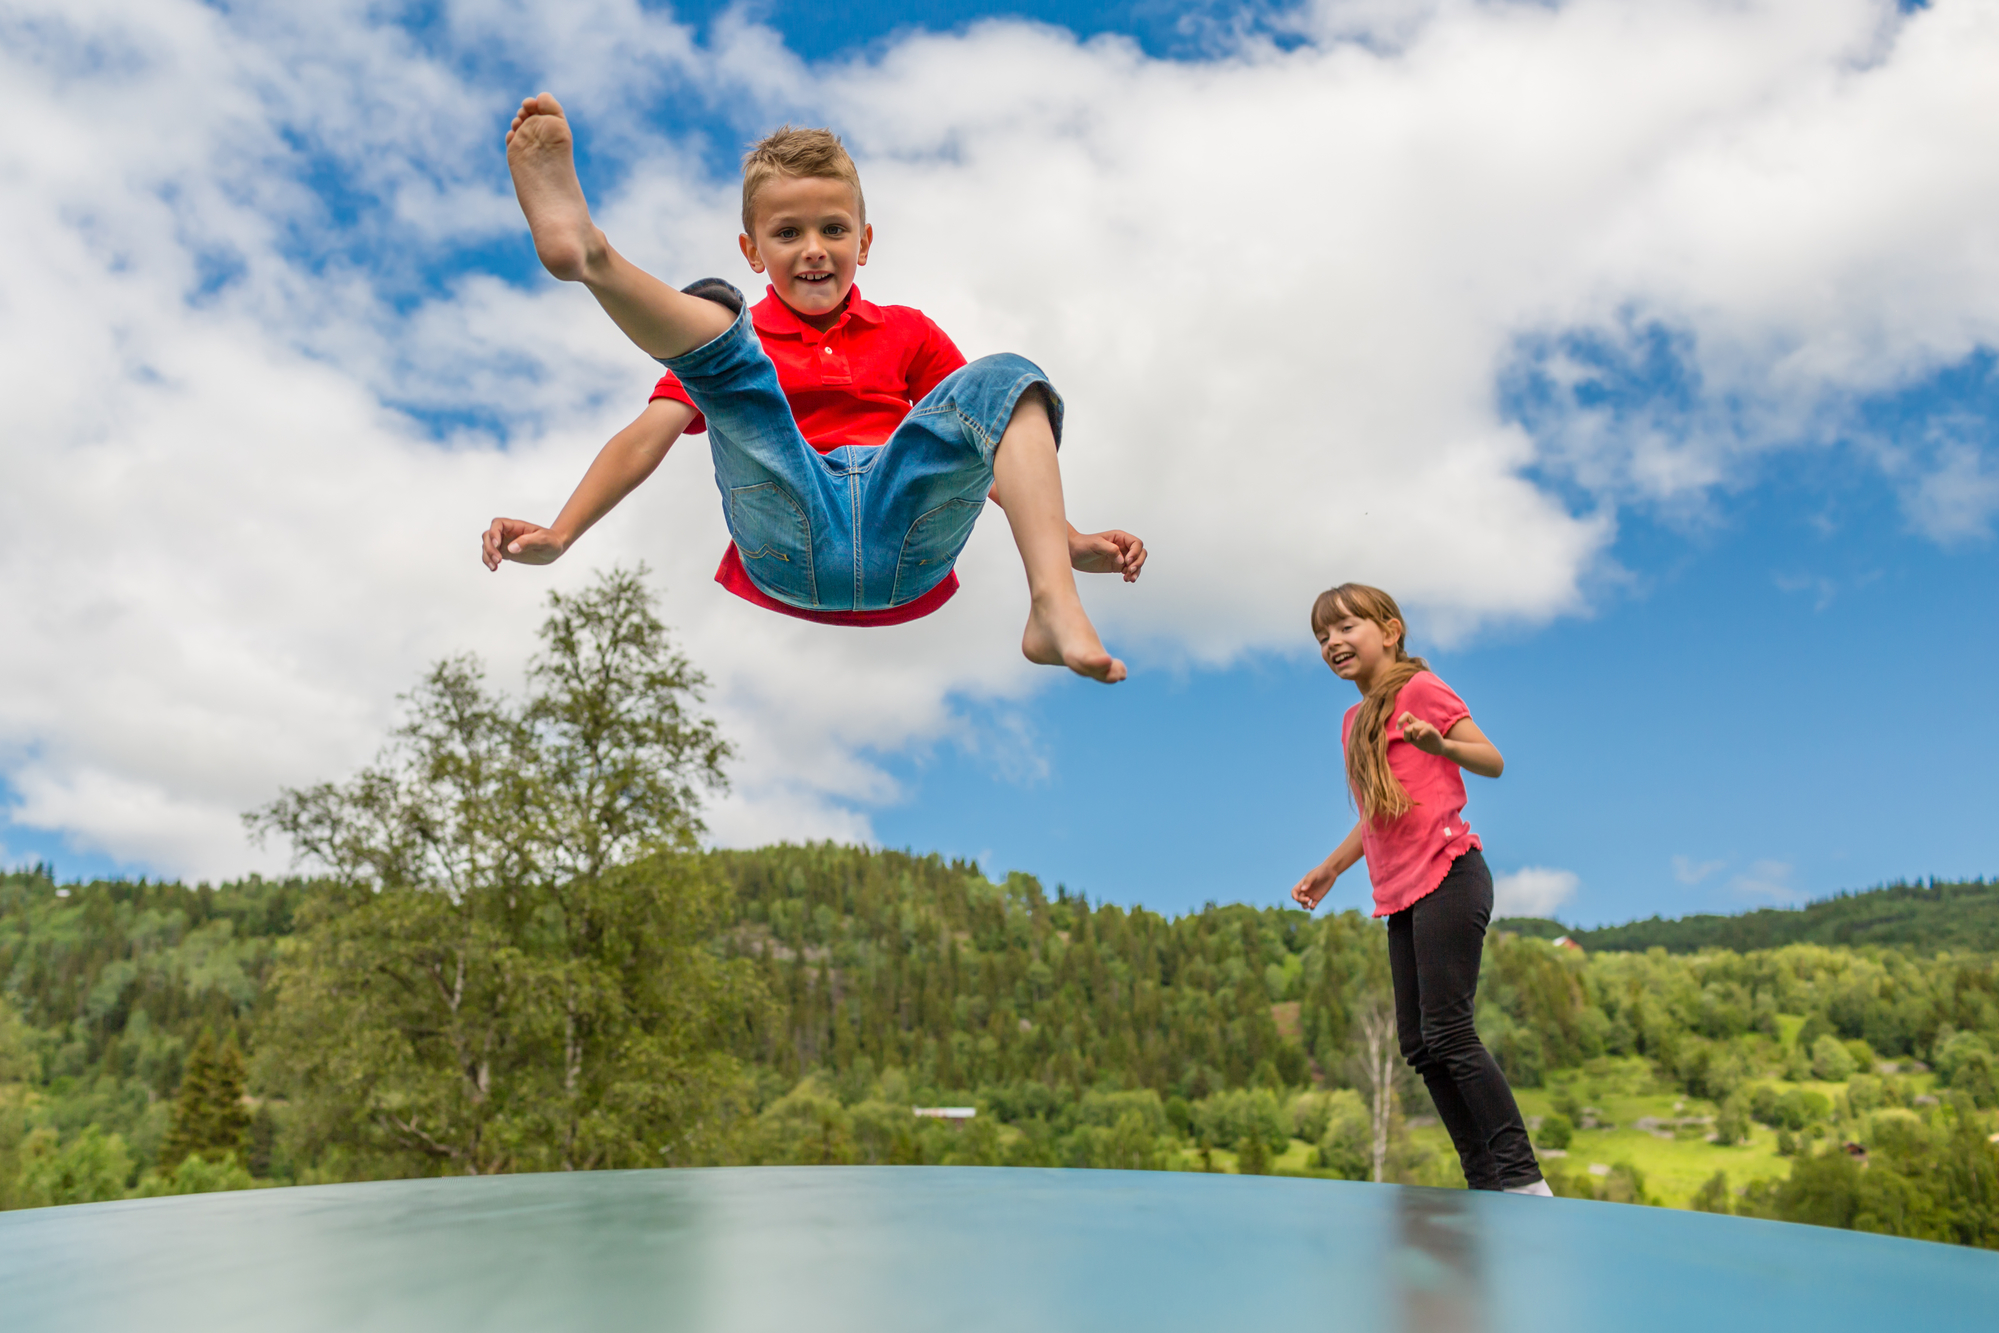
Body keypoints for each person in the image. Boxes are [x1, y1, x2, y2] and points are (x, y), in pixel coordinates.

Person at [481, 95, 1145, 683]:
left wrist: (1071, 540)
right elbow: (642, 440)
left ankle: (1051, 603)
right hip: (790, 529)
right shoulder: (747, 346)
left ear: (865, 240)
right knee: (722, 335)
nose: (813, 249)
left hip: (902, 534)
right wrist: (562, 532)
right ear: (753, 249)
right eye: (787, 233)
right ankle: (592, 259)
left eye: (833, 229)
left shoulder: (908, 333)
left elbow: (980, 447)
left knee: (1007, 383)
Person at [1288, 583, 1551, 1196]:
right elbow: (1379, 814)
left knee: (1450, 1031)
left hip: (1451, 873)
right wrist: (1331, 868)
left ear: (1390, 630)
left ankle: (1523, 1179)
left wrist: (1440, 742)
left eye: (1346, 627)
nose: (1332, 642)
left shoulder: (1421, 690)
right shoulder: (1354, 721)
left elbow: (1491, 760)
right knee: (1418, 1044)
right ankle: (1483, 1180)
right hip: (1401, 894)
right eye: (1322, 635)